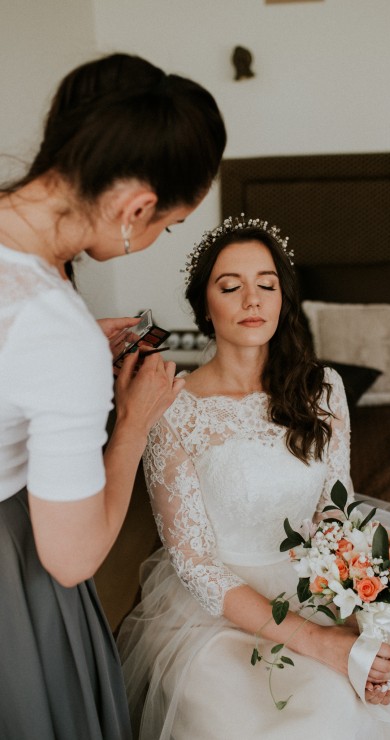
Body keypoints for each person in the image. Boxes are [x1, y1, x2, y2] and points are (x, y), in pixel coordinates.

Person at [117, 216, 390, 739]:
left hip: (317, 585)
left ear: (283, 299)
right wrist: (320, 643)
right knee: (317, 712)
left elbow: (334, 508)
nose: (252, 300)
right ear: (204, 305)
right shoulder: (173, 408)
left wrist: (355, 613)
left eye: (266, 285)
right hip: (223, 611)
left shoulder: (323, 389)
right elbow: (195, 563)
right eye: (231, 286)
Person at [0, 52, 226, 740]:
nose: (156, 238)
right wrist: (131, 423)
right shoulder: (54, 327)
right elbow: (71, 560)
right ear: (136, 208)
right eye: (168, 225)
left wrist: (51, 367)